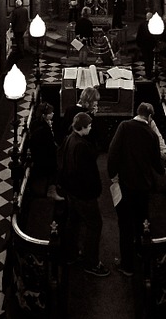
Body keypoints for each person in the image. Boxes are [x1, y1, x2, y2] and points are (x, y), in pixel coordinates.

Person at [107, 101, 165, 276]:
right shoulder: (151, 135)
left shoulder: (124, 126)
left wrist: (112, 174)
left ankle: (127, 265)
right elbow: (157, 164)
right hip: (143, 186)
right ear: (149, 117)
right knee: (142, 221)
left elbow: (113, 151)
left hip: (126, 184)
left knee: (125, 225)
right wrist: (163, 169)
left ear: (137, 113)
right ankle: (142, 252)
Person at [57, 111, 109, 278]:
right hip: (83, 195)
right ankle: (91, 263)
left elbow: (63, 164)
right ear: (83, 127)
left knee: (73, 222)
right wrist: (95, 191)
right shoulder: (82, 146)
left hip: (71, 191)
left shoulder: (69, 138)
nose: (91, 128)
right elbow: (87, 174)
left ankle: (71, 254)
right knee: (95, 225)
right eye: (90, 126)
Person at [27, 102, 58, 196]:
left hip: (40, 154)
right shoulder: (43, 129)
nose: (53, 114)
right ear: (44, 115)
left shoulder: (37, 124)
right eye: (50, 113)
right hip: (43, 157)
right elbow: (48, 145)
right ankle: (51, 190)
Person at [136, 13, 156, 78]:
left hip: (143, 45)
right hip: (151, 45)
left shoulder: (142, 24)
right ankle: (150, 72)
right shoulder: (154, 25)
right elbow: (156, 35)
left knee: (146, 59)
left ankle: (147, 73)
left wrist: (138, 44)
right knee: (151, 59)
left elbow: (139, 35)